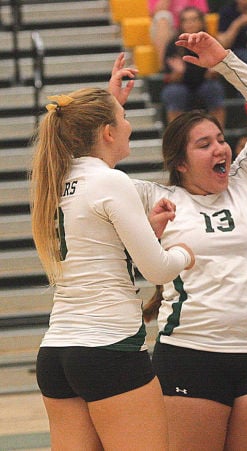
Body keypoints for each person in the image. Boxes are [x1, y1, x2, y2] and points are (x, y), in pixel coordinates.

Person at [133, 31, 247, 450]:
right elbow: (90, 175)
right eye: (204, 145)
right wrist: (115, 104)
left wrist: (225, 61)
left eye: (220, 139)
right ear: (181, 164)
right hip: (191, 352)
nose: (220, 148)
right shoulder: (159, 198)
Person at [30, 57, 195, 449]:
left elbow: (99, 251)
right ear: (106, 132)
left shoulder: (55, 179)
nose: (130, 124)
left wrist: (146, 233)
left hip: (57, 353)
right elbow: (157, 269)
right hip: (109, 349)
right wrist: (184, 254)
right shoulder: (110, 181)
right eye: (122, 116)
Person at [161, 6, 226, 125]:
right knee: (173, 92)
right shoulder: (173, 44)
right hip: (181, 84)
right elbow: (169, 78)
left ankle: (219, 134)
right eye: (186, 20)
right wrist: (178, 73)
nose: (190, 23)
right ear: (181, 24)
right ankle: (176, 137)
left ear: (201, 22)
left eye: (194, 19)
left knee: (214, 88)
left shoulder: (211, 42)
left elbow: (221, 70)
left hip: (205, 82)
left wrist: (214, 71)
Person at [149, 0, 209, 67]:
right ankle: (164, 67)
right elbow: (156, 14)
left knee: (192, 16)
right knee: (162, 18)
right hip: (171, 30)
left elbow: (201, 14)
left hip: (193, 31)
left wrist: (189, 22)